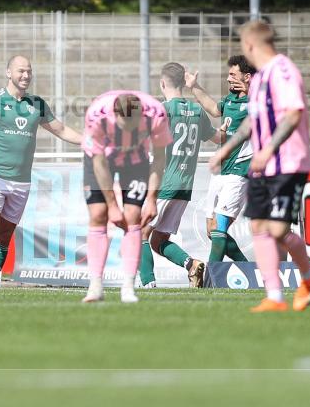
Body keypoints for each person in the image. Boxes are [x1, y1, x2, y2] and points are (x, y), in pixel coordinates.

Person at [209, 20, 310, 312]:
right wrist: (226, 149)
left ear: (249, 44)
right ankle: (274, 296)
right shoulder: (258, 80)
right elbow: (252, 121)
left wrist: (269, 148)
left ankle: (309, 275)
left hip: (288, 164)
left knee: (279, 231)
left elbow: (294, 113)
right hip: (261, 166)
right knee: (258, 225)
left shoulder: (283, 71)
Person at [0, 55, 83, 289]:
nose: (25, 76)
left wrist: (87, 141)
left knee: (4, 235)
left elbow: (62, 129)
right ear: (8, 73)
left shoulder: (37, 104)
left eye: (29, 71)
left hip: (21, 182)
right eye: (20, 71)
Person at [83, 91, 172, 303]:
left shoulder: (156, 114)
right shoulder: (97, 115)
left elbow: (159, 158)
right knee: (98, 214)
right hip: (101, 159)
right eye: (124, 126)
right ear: (115, 116)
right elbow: (99, 163)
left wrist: (152, 199)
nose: (130, 129)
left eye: (134, 126)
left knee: (134, 216)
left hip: (135, 160)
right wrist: (113, 205)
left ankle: (128, 287)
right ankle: (95, 286)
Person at [138, 63, 216, 289]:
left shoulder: (162, 110)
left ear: (162, 83)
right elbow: (217, 138)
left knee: (140, 231)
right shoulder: (198, 111)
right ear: (184, 83)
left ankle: (147, 282)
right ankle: (192, 265)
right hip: (185, 185)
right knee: (158, 240)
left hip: (165, 181)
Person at [186, 56, 255, 263]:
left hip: (239, 173)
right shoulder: (230, 100)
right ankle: (249, 271)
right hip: (220, 172)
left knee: (220, 225)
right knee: (212, 230)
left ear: (247, 77)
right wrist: (194, 86)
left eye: (233, 75)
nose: (228, 79)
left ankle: (211, 278)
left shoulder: (256, 104)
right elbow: (214, 109)